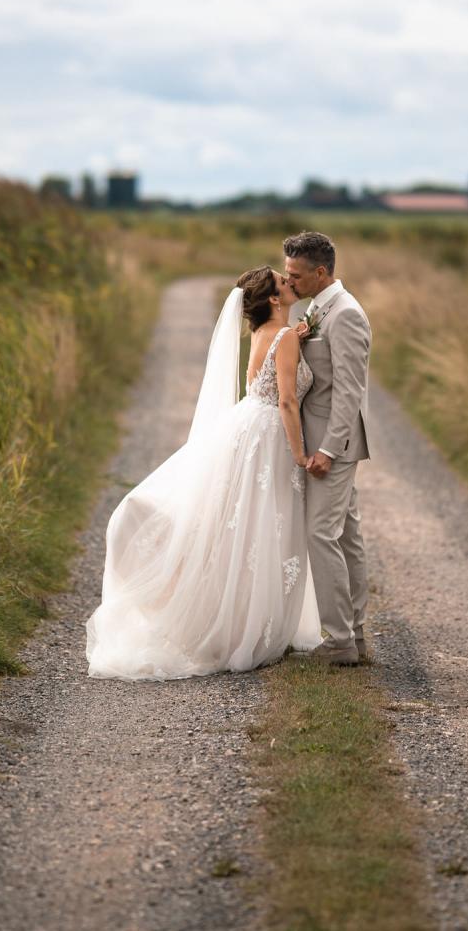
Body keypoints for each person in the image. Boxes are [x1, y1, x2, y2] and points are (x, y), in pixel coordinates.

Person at [85, 266, 324, 680]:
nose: (290, 284)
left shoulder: (266, 336)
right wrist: (301, 455)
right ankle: (244, 626)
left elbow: (261, 383)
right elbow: (286, 402)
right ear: (272, 298)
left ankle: (234, 619)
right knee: (261, 528)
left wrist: (294, 340)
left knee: (241, 529)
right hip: (269, 438)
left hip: (247, 430)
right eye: (283, 282)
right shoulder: (283, 337)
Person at [284, 231, 374, 666]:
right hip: (322, 440)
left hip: (331, 446)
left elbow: (349, 393)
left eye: (296, 275)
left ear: (322, 272)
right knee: (347, 535)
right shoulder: (318, 308)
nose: (290, 281)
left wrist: (329, 450)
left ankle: (338, 640)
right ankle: (353, 636)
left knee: (322, 534)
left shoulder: (347, 316)